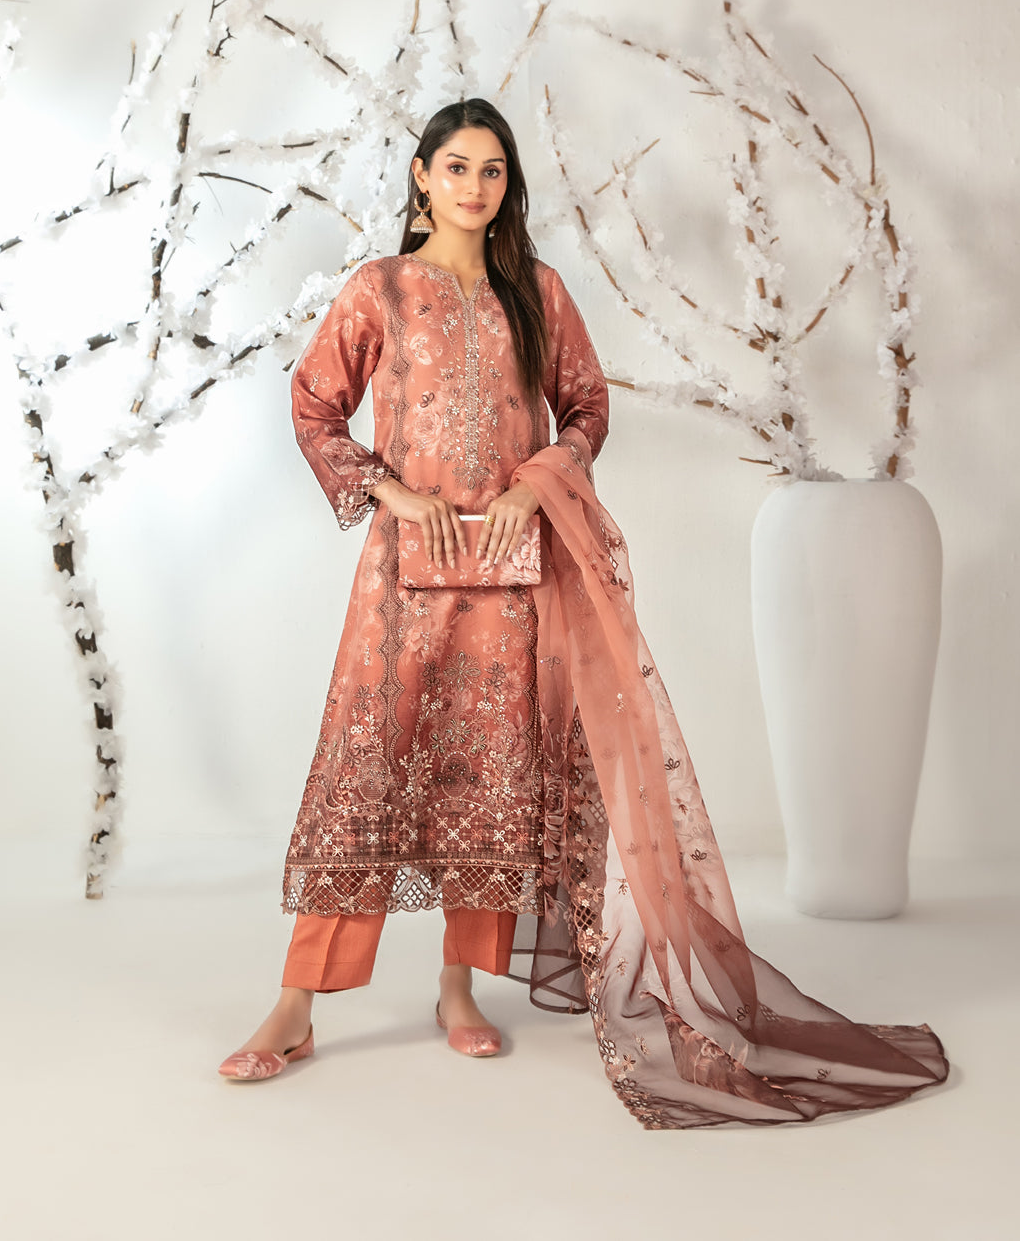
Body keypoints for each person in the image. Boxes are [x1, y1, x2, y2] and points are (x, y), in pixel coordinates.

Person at [218, 99, 949, 1128]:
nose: (475, 186)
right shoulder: (377, 289)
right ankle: (295, 1006)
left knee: (487, 775)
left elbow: (587, 406)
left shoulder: (537, 291)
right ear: (421, 175)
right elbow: (313, 404)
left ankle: (458, 990)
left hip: (513, 574)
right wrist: (392, 493)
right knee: (365, 770)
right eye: (456, 167)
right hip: (403, 575)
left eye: (492, 170)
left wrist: (536, 482)